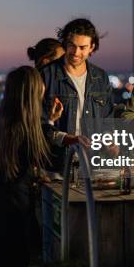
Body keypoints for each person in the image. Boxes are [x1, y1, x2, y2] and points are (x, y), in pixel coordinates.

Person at [0, 66, 62, 267]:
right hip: (12, 205)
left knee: (5, 265)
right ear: (32, 90)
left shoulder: (3, 118)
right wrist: (50, 124)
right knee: (16, 265)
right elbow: (47, 158)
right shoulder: (24, 125)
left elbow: (17, 160)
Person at [39, 18, 116, 169]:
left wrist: (110, 142)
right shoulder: (46, 75)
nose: (76, 52)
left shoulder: (101, 77)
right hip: (56, 167)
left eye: (82, 47)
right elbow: (37, 125)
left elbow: (108, 120)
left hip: (92, 167)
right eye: (72, 46)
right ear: (65, 44)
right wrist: (69, 139)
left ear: (92, 47)